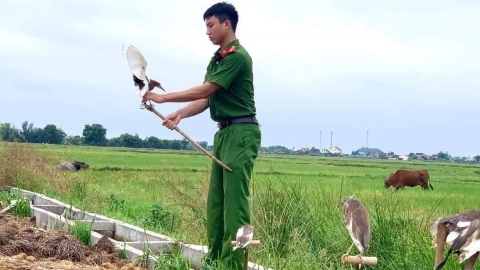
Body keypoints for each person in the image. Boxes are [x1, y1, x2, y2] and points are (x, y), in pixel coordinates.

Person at [140, 2, 261, 269]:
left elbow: (206, 89)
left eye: (210, 25)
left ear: (226, 24)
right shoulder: (218, 58)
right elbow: (208, 98)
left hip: (241, 132)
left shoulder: (238, 56)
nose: (207, 31)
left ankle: (235, 263)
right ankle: (216, 260)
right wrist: (180, 113)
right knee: (216, 202)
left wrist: (164, 98)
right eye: (205, 26)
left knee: (236, 204)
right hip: (224, 132)